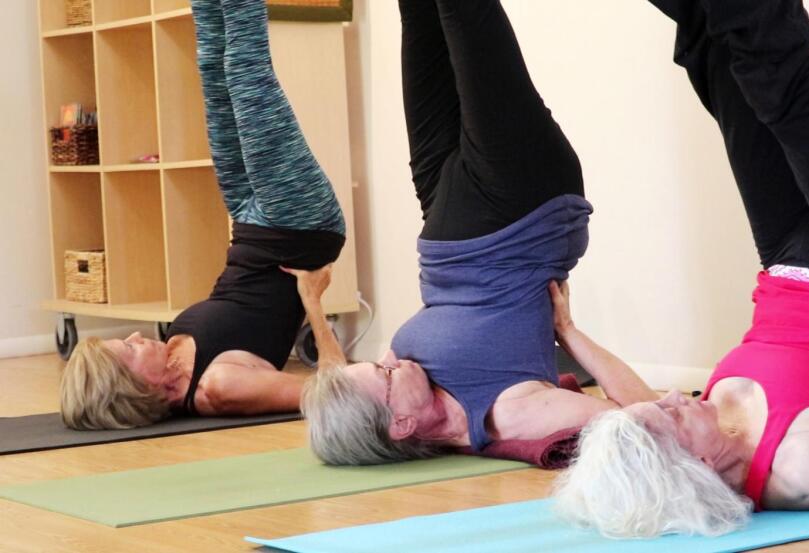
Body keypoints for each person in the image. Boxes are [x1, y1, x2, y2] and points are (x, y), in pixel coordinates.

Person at [555, 0, 809, 538]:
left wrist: (568, 332)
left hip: (782, 260)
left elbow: (641, 408)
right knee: (788, 84)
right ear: (699, 467)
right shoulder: (803, 469)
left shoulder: (696, 429)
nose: (675, 398)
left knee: (715, 57)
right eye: (673, 415)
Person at [302, 0, 659, 466]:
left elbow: (352, 382)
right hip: (519, 205)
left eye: (377, 362)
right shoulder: (508, 413)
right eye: (384, 374)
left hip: (439, 212)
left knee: (419, 13)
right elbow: (645, 421)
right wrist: (569, 335)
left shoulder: (399, 386)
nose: (389, 360)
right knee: (466, 11)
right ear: (402, 425)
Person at [60, 0, 347, 430]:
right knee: (248, 70)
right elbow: (338, 390)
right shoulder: (220, 387)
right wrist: (313, 304)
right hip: (298, 225)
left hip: (248, 220)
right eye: (131, 350)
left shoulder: (173, 356)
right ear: (138, 387)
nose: (136, 337)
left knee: (214, 69)